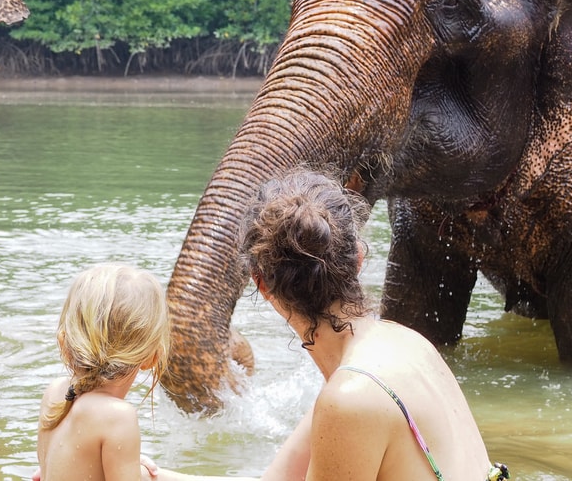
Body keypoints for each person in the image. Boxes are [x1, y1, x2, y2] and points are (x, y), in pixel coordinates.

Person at [157, 169, 508, 481]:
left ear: (261, 285)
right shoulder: (408, 344)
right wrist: (155, 475)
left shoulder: (350, 400)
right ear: (357, 257)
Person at [35, 263, 169, 481]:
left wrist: (130, 466)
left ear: (64, 342)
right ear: (152, 357)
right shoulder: (117, 417)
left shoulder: (56, 393)